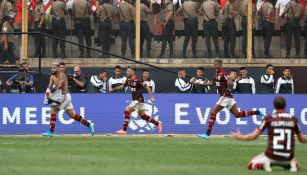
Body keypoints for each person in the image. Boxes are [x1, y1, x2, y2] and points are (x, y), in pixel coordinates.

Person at [232, 96, 307, 172]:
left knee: (250, 165)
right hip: (287, 157)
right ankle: (292, 165)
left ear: (273, 106)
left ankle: (265, 164)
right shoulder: (293, 119)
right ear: (286, 106)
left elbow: (253, 136)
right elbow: (302, 140)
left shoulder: (269, 118)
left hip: (271, 156)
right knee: (297, 165)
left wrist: (240, 137)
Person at [196, 60, 265, 139]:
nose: (216, 65)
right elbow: (212, 83)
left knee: (213, 112)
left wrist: (230, 80)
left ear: (221, 65)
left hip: (225, 96)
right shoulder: (216, 75)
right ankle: (257, 112)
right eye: (215, 64)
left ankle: (207, 134)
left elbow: (229, 82)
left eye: (218, 64)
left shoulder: (223, 73)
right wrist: (199, 83)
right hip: (229, 97)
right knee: (237, 114)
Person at [42, 62, 94, 137]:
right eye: (51, 67)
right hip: (61, 97)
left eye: (54, 68)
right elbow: (49, 87)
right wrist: (47, 94)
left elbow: (59, 86)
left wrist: (51, 98)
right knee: (72, 115)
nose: (52, 69)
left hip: (65, 97)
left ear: (58, 68)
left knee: (53, 110)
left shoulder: (62, 75)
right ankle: (89, 125)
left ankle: (51, 131)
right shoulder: (52, 76)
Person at [111, 66, 163, 134]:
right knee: (143, 116)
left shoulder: (138, 80)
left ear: (132, 72)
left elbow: (147, 87)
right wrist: (114, 89)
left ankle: (124, 130)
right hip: (136, 100)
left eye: (128, 71)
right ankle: (157, 123)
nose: (126, 72)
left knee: (127, 110)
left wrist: (151, 97)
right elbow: (123, 86)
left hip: (139, 100)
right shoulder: (128, 80)